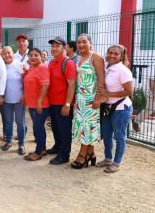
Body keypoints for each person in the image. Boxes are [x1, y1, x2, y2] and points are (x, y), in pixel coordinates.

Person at [97, 44, 133, 173]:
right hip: (107, 107)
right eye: (110, 52)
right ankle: (108, 159)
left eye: (116, 54)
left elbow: (129, 91)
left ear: (121, 56)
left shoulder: (123, 70)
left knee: (119, 136)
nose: (112, 55)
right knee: (106, 135)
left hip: (121, 109)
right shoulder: (107, 67)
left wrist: (108, 94)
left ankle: (116, 163)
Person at [71, 34, 105, 169]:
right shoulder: (78, 58)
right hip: (80, 99)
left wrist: (98, 98)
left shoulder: (95, 57)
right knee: (84, 126)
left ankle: (82, 155)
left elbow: (102, 78)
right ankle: (91, 153)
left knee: (87, 126)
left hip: (91, 99)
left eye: (84, 42)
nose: (81, 45)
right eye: (79, 42)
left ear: (90, 43)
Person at [47, 36, 77, 165]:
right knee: (55, 127)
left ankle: (64, 155)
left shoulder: (68, 63)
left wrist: (67, 104)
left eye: (57, 46)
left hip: (62, 103)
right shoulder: (51, 62)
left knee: (64, 130)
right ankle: (58, 147)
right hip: (52, 102)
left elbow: (72, 85)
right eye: (52, 46)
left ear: (64, 48)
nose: (54, 48)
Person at [23, 48, 50, 161]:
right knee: (38, 127)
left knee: (38, 128)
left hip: (40, 104)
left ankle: (38, 152)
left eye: (36, 55)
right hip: (32, 104)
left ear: (41, 57)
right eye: (31, 55)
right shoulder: (31, 68)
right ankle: (42, 148)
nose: (33, 57)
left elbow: (45, 86)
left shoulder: (42, 69)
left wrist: (39, 101)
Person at [0, 46, 26, 155]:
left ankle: (21, 143)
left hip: (19, 99)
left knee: (20, 122)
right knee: (8, 121)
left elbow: (26, 81)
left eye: (9, 53)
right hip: (6, 99)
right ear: (1, 56)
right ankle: (9, 141)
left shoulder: (19, 65)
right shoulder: (1, 66)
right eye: (4, 54)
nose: (7, 55)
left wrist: (24, 94)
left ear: (12, 53)